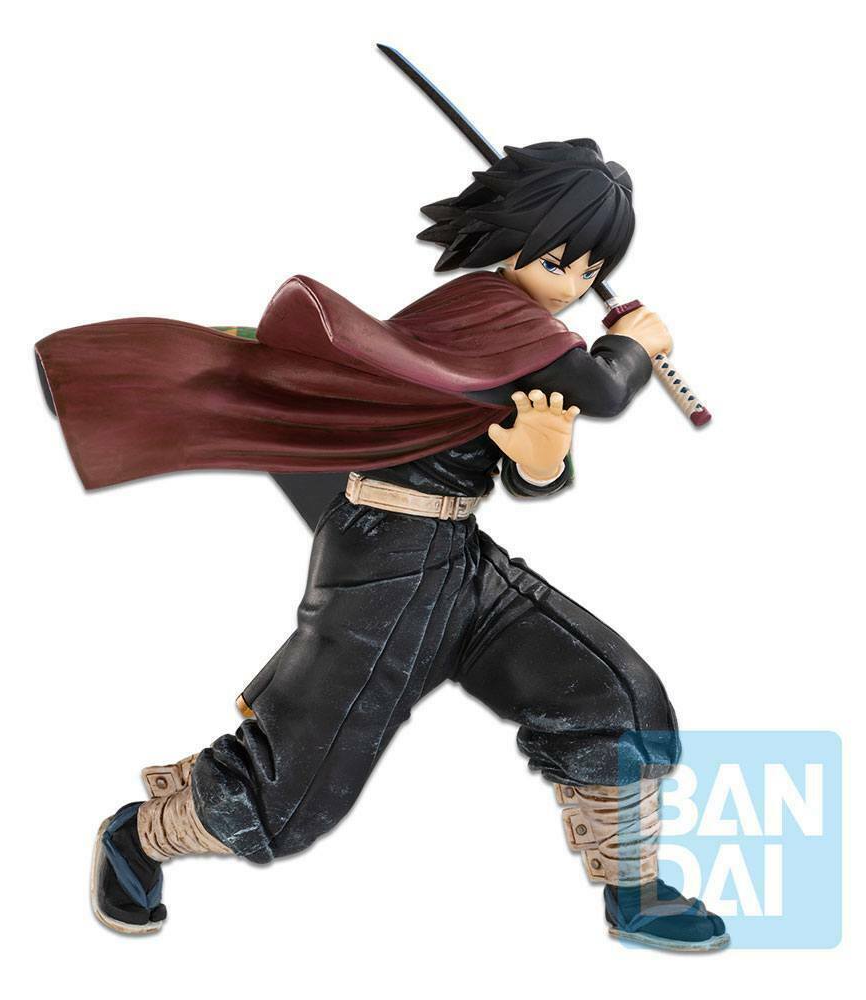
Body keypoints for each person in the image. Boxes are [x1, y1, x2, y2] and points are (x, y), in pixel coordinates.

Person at [37, 139, 728, 951]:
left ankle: (634, 895)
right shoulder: (490, 310)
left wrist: (540, 459)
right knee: (290, 797)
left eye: (591, 268)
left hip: (458, 560)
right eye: (561, 261)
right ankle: (139, 838)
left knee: (610, 694)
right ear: (512, 242)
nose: (575, 283)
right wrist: (634, 346)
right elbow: (601, 391)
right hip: (386, 567)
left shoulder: (518, 333)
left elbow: (524, 460)